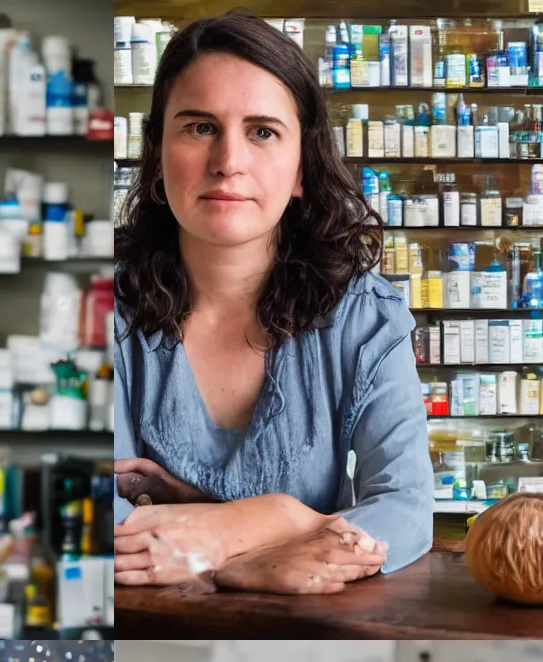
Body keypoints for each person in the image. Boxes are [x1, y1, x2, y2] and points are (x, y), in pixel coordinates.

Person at [112, 9, 435, 596]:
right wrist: (285, 525)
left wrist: (228, 534)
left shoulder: (364, 317)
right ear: (157, 156)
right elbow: (103, 533)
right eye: (199, 127)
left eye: (262, 131)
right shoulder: (106, 313)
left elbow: (407, 508)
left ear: (301, 170)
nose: (228, 161)